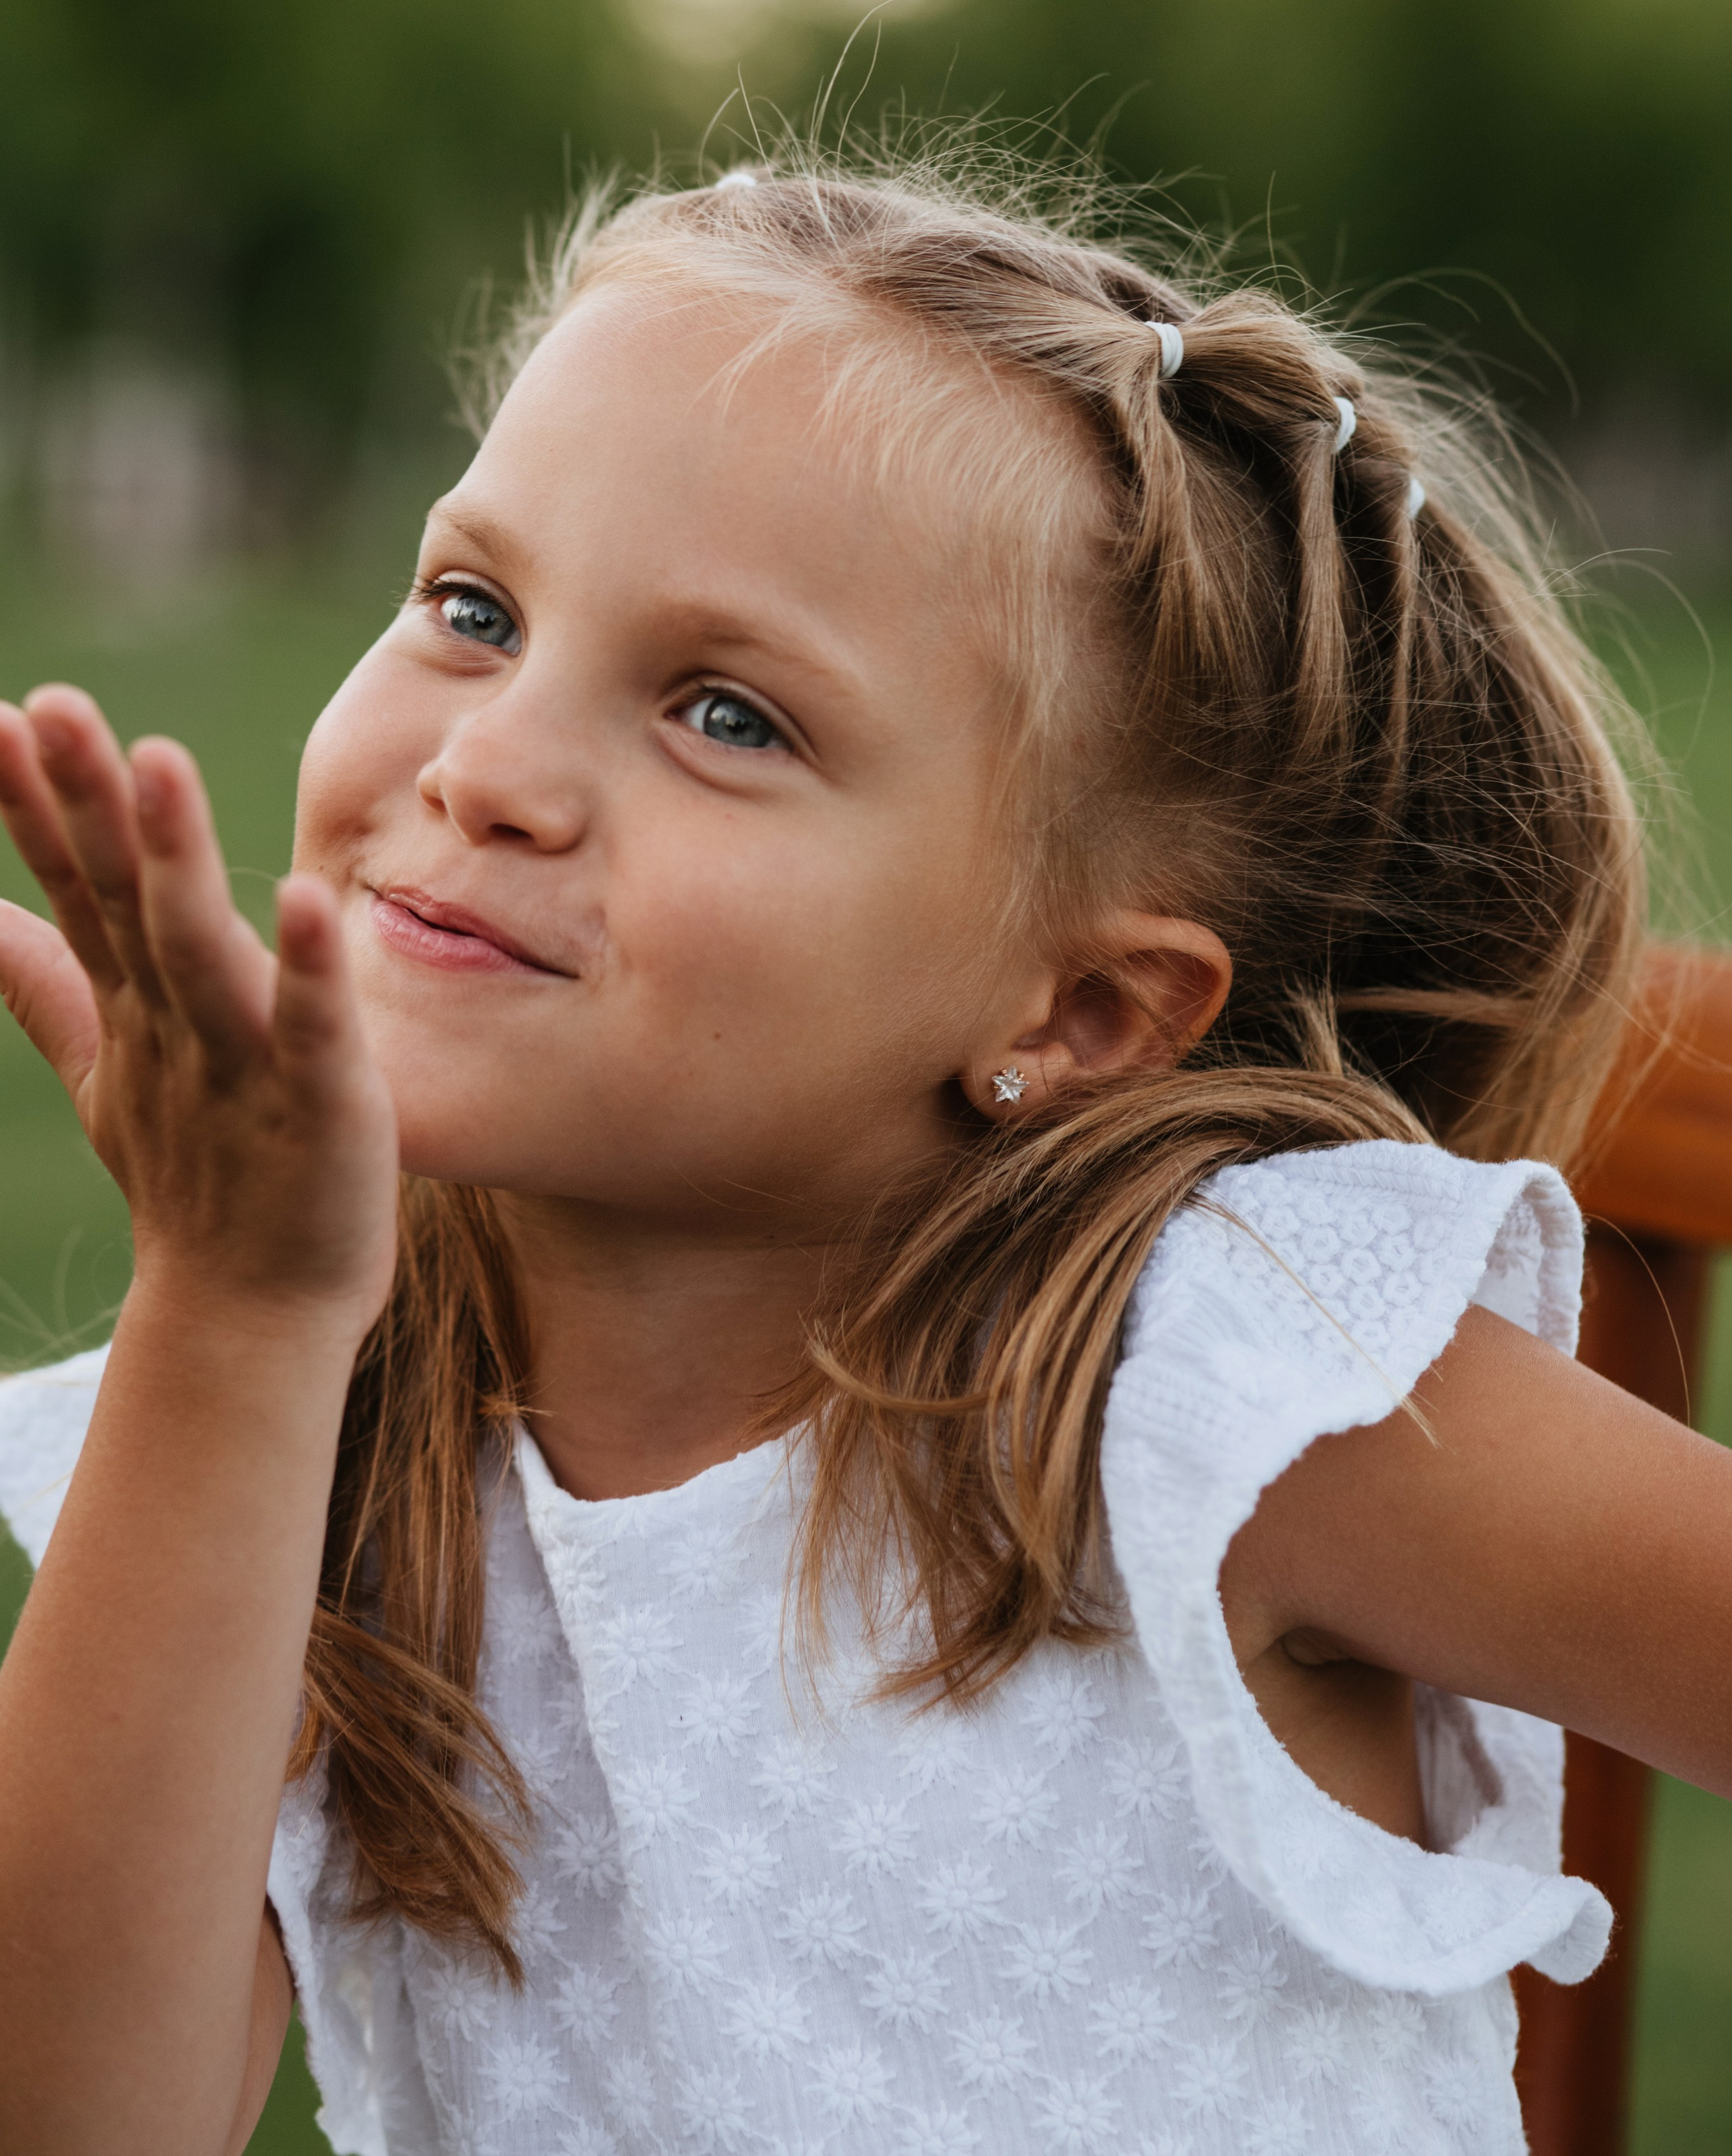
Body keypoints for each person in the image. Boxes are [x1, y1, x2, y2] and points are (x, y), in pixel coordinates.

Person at [1, 154, 1729, 2156]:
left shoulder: (1216, 1386)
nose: (484, 767)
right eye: (473, 608)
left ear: (1073, 1020)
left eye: (727, 715)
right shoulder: (336, 1416)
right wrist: (235, 1319)